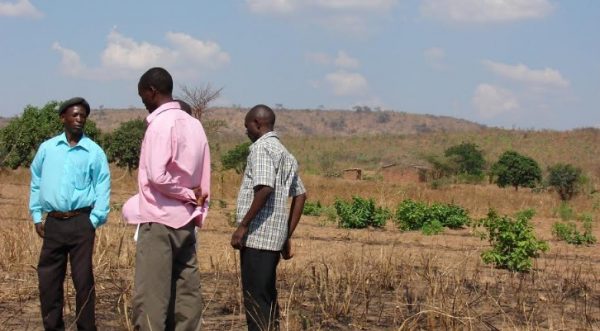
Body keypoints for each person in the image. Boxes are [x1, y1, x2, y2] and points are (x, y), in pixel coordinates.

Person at [124, 67, 210, 331]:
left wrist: (183, 194)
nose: (143, 103)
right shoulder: (195, 125)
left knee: (152, 298)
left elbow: (157, 176)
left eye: (142, 97)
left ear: (152, 92)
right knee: (187, 296)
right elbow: (204, 177)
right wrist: (196, 205)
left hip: (159, 221)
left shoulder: (160, 124)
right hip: (186, 221)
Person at [29, 97, 111, 331]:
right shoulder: (48, 149)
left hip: (81, 223)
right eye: (74, 115)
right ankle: (53, 326)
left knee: (83, 281)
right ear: (62, 118)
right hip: (53, 222)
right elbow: (36, 180)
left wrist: (95, 219)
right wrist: (37, 215)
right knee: (48, 280)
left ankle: (86, 327)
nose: (79, 119)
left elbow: (103, 185)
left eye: (83, 116)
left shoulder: (93, 152)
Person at [231, 104, 307, 331]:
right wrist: (286, 235)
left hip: (257, 237)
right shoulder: (286, 153)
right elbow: (301, 195)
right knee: (267, 298)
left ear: (258, 124)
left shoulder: (261, 149)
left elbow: (264, 187)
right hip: (273, 241)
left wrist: (243, 226)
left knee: (256, 301)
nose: (246, 132)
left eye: (247, 127)